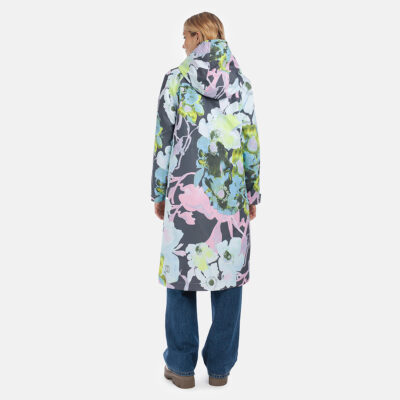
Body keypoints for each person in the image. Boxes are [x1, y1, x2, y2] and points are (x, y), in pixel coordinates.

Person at [150, 11, 261, 389]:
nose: (182, 43)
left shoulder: (176, 79)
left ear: (199, 36)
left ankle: (181, 367)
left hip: (185, 194)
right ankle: (220, 369)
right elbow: (250, 143)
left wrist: (159, 191)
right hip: (229, 196)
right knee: (229, 278)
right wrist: (251, 192)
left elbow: (163, 141)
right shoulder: (240, 82)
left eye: (186, 35)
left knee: (182, 275)